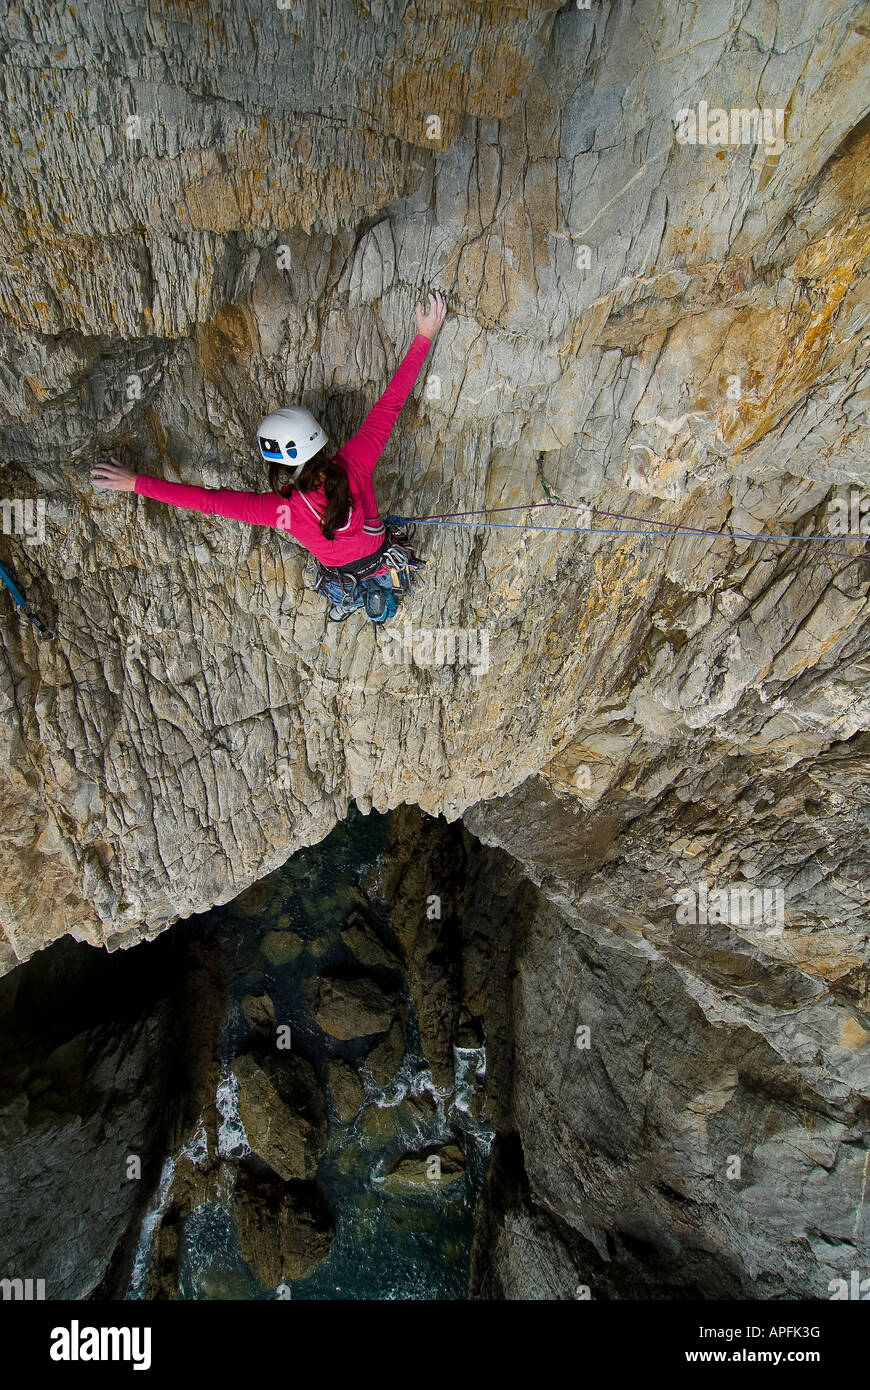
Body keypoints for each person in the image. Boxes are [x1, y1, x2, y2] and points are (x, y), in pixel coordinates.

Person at [91, 291, 448, 623]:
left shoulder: (281, 511)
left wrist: (135, 482)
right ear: (319, 443)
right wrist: (424, 336)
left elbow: (208, 502)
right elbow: (390, 405)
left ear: (277, 467)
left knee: (359, 593)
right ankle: (370, 600)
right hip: (377, 560)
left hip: (348, 574)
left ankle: (354, 601)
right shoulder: (355, 463)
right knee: (380, 584)